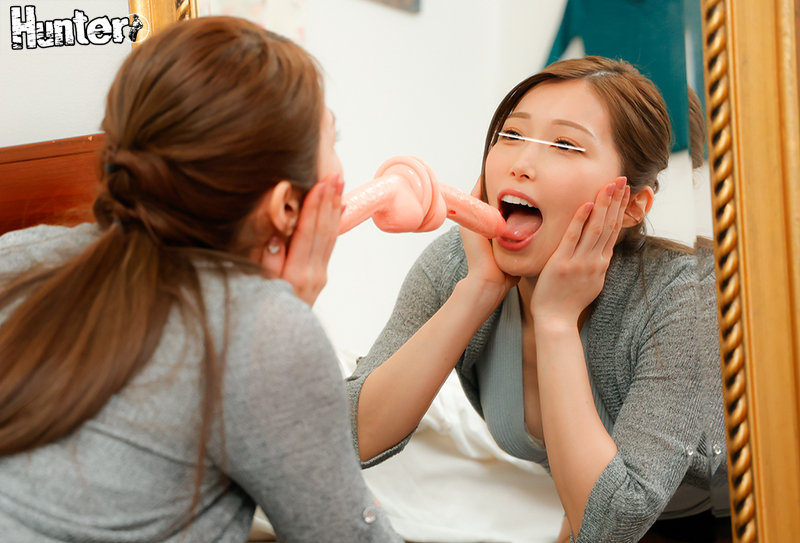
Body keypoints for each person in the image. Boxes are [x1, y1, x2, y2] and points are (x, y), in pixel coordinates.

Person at [0, 16, 401, 543]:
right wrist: (278, 312)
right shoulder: (264, 333)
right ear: (286, 206)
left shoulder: (18, 253)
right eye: (333, 137)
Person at [347, 56, 729, 543]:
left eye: (565, 145)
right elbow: (347, 435)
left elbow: (615, 520)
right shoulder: (458, 264)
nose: (521, 164)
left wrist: (556, 320)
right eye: (511, 135)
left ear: (633, 205)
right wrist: (478, 291)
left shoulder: (683, 294)